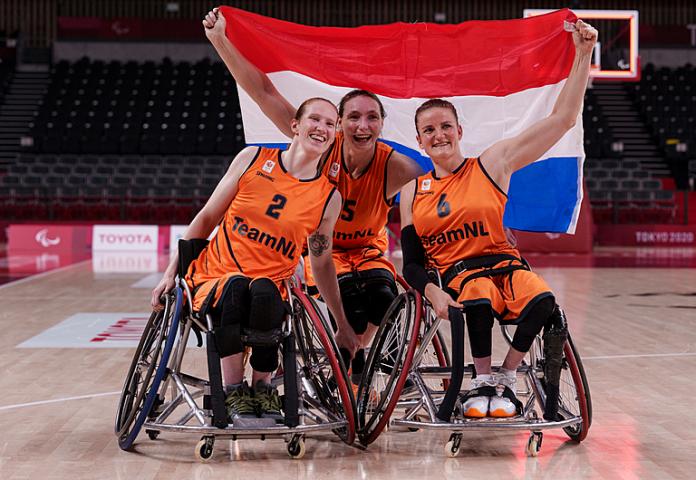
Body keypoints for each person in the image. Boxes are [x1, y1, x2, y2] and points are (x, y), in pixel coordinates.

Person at [202, 8, 423, 382]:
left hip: (369, 253)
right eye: (353, 116)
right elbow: (262, 91)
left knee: (386, 303)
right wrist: (220, 40)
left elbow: (451, 186)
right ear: (339, 124)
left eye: (372, 117)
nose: (362, 124)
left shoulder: (398, 166)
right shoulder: (320, 148)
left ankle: (358, 354)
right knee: (348, 309)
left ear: (383, 125)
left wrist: (497, 222)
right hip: (323, 254)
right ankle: (348, 354)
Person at [400, 20, 597, 419]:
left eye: (445, 127)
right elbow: (412, 262)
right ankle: (480, 379)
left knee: (543, 300)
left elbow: (562, 120)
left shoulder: (491, 163)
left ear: (459, 130)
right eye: (429, 130)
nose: (439, 135)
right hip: (457, 275)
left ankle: (505, 376)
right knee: (478, 296)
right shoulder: (411, 190)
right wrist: (432, 293)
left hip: (504, 263)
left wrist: (583, 53)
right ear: (418, 140)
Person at [150, 97, 354, 424]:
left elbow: (321, 262)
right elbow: (206, 219)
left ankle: (262, 388)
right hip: (215, 277)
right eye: (315, 119)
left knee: (263, 292)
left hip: (270, 286)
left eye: (330, 124)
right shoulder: (253, 159)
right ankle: (233, 391)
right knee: (235, 287)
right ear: (295, 126)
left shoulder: (329, 197)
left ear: (335, 133)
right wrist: (169, 274)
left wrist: (341, 322)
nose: (322, 128)